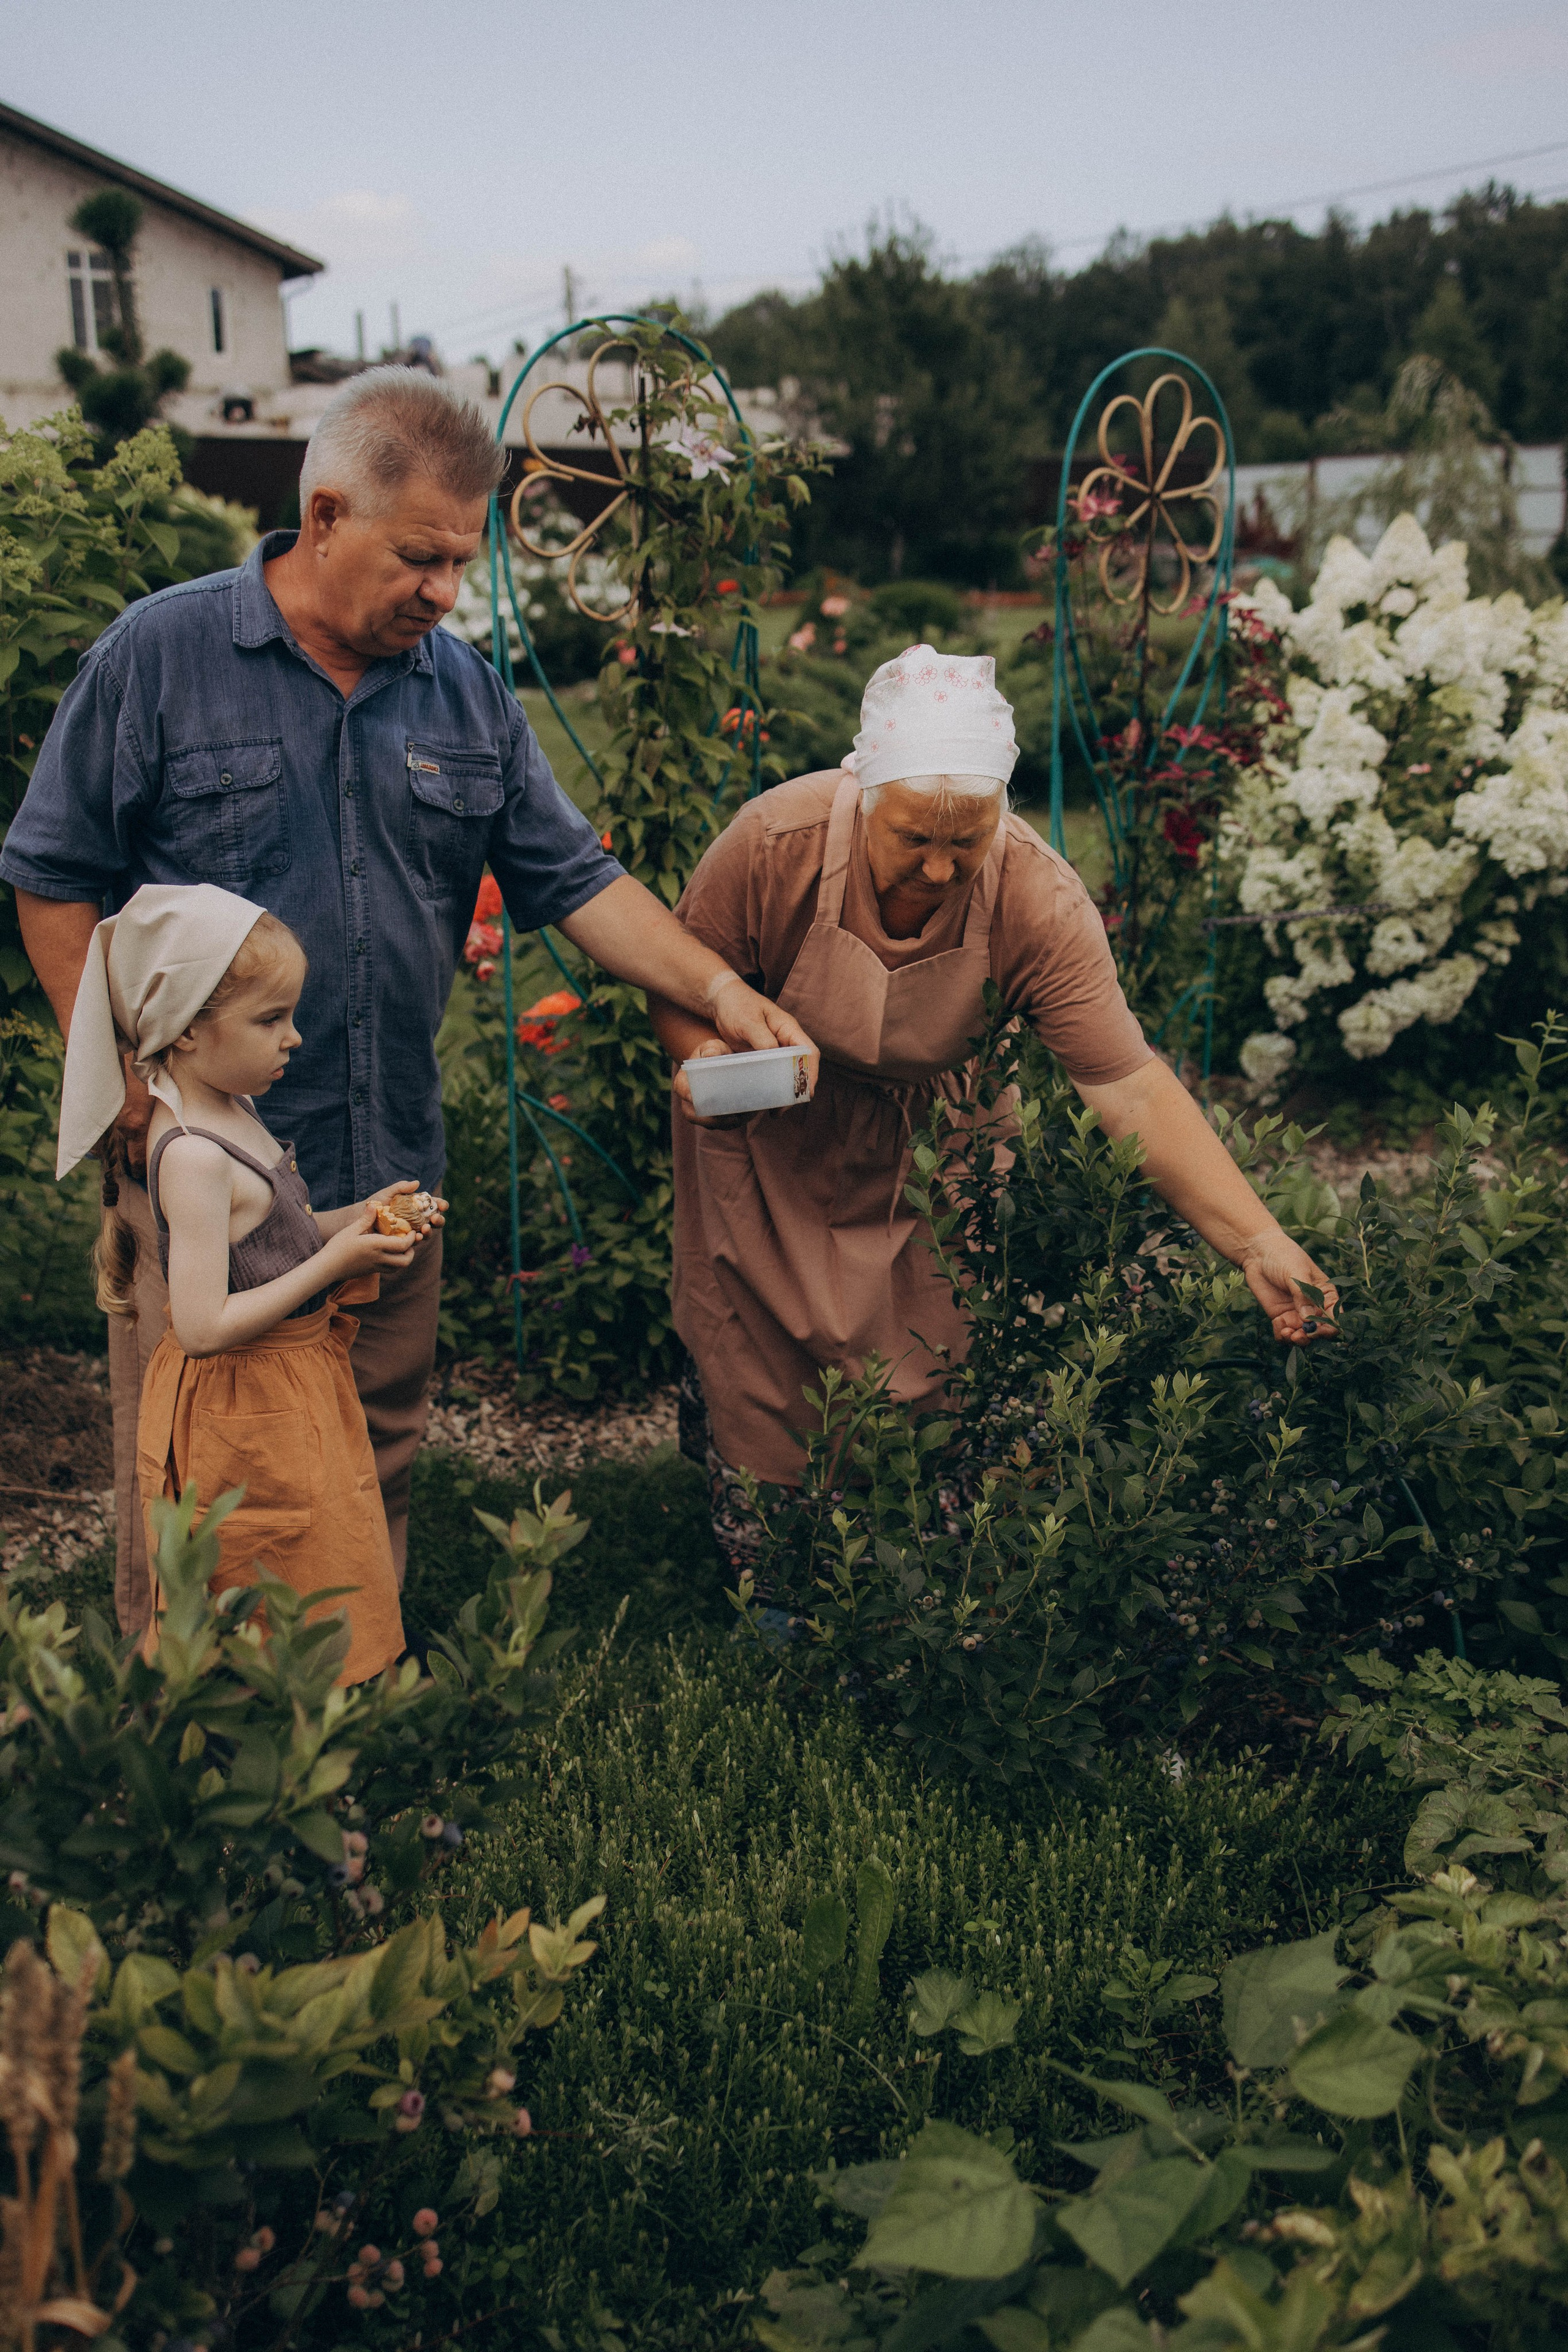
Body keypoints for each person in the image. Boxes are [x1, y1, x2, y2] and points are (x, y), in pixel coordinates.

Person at [2, 366, 810, 1634]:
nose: (443, 593)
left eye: (459, 564)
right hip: (206, 1175)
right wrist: (124, 1098)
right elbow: (50, 877)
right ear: (324, 518)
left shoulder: (463, 692)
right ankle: (202, 1783)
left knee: (363, 1467)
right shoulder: (162, 659)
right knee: (202, 1485)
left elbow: (576, 880)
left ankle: (346, 1755)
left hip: (383, 1168)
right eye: (420, 558)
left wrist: (719, 988)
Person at [649, 646, 1338, 1556]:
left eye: (965, 841)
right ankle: (773, 1579)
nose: (940, 870)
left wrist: (1258, 1239)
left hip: (939, 1152)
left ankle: (912, 1570)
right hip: (771, 1138)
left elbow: (1125, 1082)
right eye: (914, 839)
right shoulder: (774, 843)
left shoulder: (1038, 898)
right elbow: (683, 978)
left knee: (935, 1357)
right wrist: (705, 1062)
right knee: (758, 1359)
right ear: (864, 793)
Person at [58, 884, 416, 1681]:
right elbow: (204, 1323)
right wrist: (339, 1263)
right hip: (246, 1407)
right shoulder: (190, 1154)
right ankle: (271, 1741)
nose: (293, 1037)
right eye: (269, 1019)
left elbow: (276, 1238)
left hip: (290, 1390)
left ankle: (327, 1724)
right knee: (273, 1564)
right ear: (184, 1031)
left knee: (322, 1553)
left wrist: (362, 1215)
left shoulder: (232, 1104)